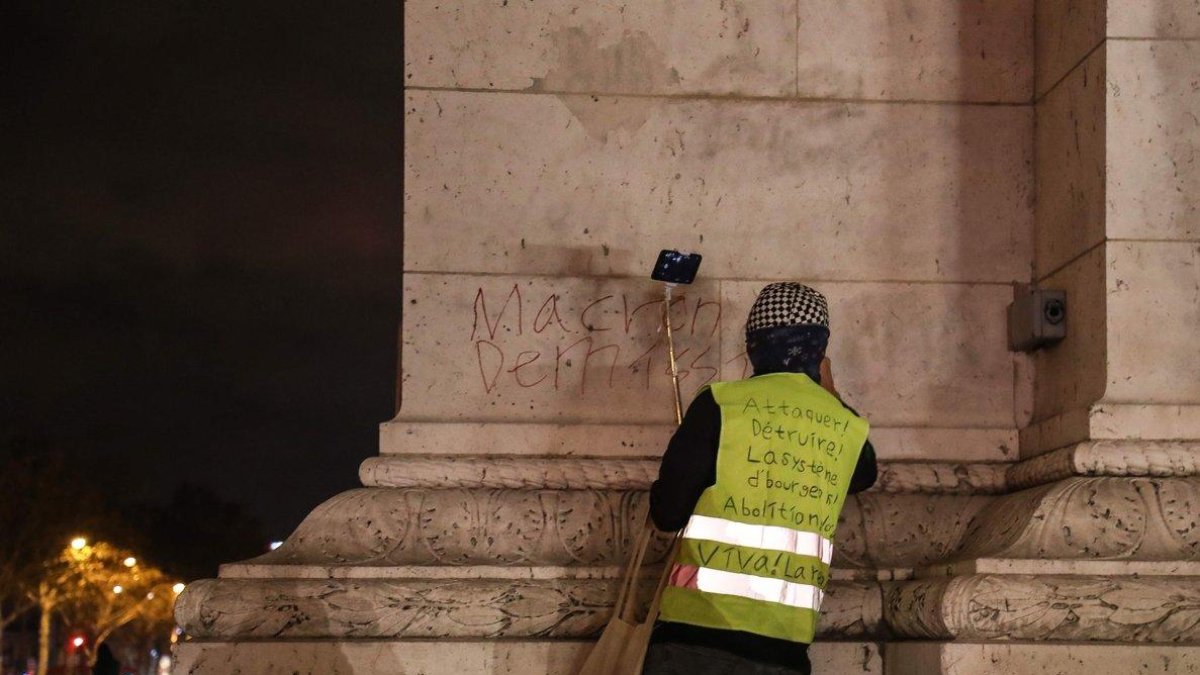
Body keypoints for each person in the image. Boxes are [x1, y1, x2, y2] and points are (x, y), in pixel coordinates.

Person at [644, 282, 878, 675]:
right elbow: (864, 475)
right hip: (782, 648)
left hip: (696, 637)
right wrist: (828, 391)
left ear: (753, 345)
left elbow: (667, 513)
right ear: (821, 351)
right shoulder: (847, 427)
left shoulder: (720, 405)